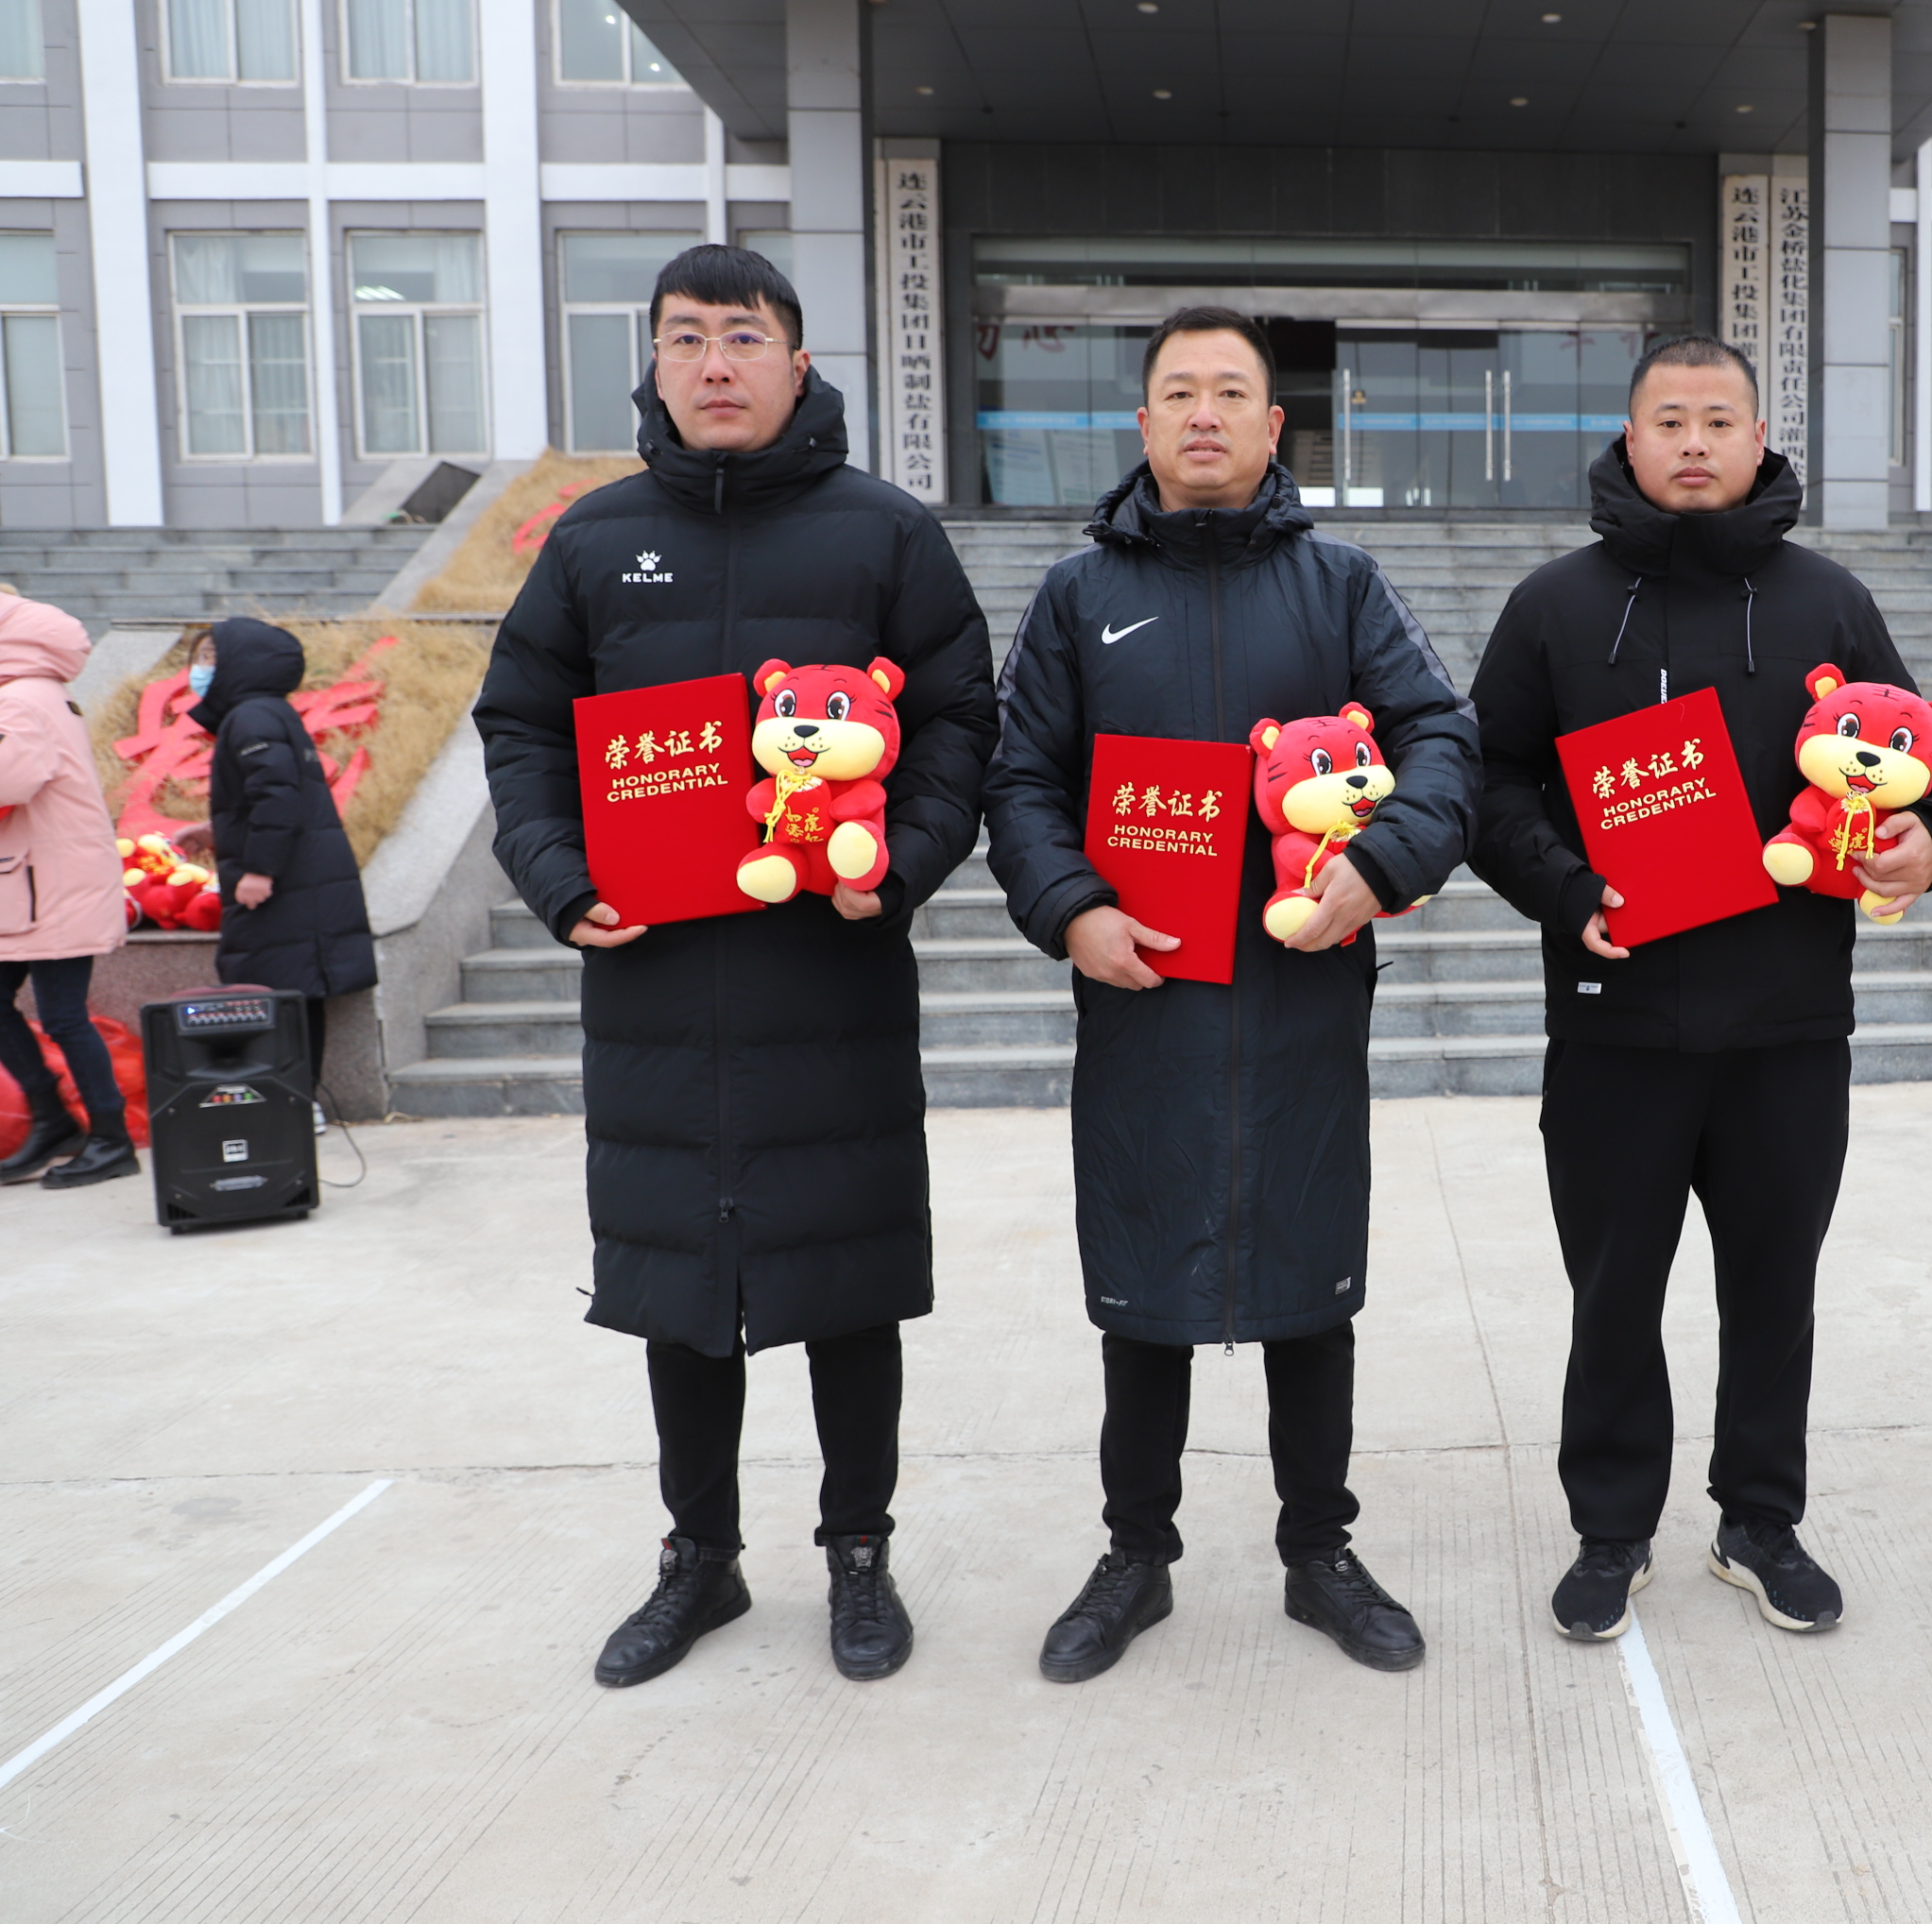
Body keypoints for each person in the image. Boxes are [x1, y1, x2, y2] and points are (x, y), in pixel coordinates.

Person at [473, 245, 999, 1689]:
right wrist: (557, 876)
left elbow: (960, 719)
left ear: (799, 362)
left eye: (745, 337)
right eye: (688, 337)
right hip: (654, 986)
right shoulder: (593, 541)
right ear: (653, 362)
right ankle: (699, 1558)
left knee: (847, 1280)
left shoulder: (884, 535)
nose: (716, 363)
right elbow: (521, 725)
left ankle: (858, 1553)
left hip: (830, 977)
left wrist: (901, 861)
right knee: (679, 1290)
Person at [984, 305, 1478, 1684]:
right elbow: (1020, 779)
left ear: (1275, 426)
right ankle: (1134, 1555)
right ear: (1141, 423)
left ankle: (1320, 1550)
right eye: (1179, 392)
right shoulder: (1078, 596)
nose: (1204, 414)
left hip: (1302, 993)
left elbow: (1443, 736)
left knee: (1311, 1287)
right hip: (1142, 998)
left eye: (1232, 393)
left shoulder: (1344, 587)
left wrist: (1381, 863)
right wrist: (1070, 907)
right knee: (1140, 1288)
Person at [1466, 334, 1932, 1643]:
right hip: (1615, 1025)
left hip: (1786, 1030)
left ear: (1760, 439)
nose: (1693, 442)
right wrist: (1566, 889)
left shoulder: (1828, 603)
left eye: (1718, 420)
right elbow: (1488, 781)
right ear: (1629, 437)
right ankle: (1611, 1529)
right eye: (1669, 420)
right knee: (1613, 1294)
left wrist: (1930, 844)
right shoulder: (1556, 606)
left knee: (1773, 1290)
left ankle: (1761, 1522)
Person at [187, 618, 379, 1128]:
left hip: (288, 886)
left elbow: (277, 798)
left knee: (278, 992)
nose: (199, 669)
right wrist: (212, 833)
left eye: (210, 657)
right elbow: (270, 796)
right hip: (302, 881)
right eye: (199, 658)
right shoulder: (266, 713)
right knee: (294, 990)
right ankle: (296, 1100)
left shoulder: (250, 717)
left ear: (241, 663)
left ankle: (296, 1103)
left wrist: (260, 870)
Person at [0, 592, 135, 1188]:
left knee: (63, 1016)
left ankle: (109, 1138)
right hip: (38, 882)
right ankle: (55, 1120)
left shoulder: (19, 700)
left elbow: (11, 780)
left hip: (50, 886)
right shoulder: (37, 691)